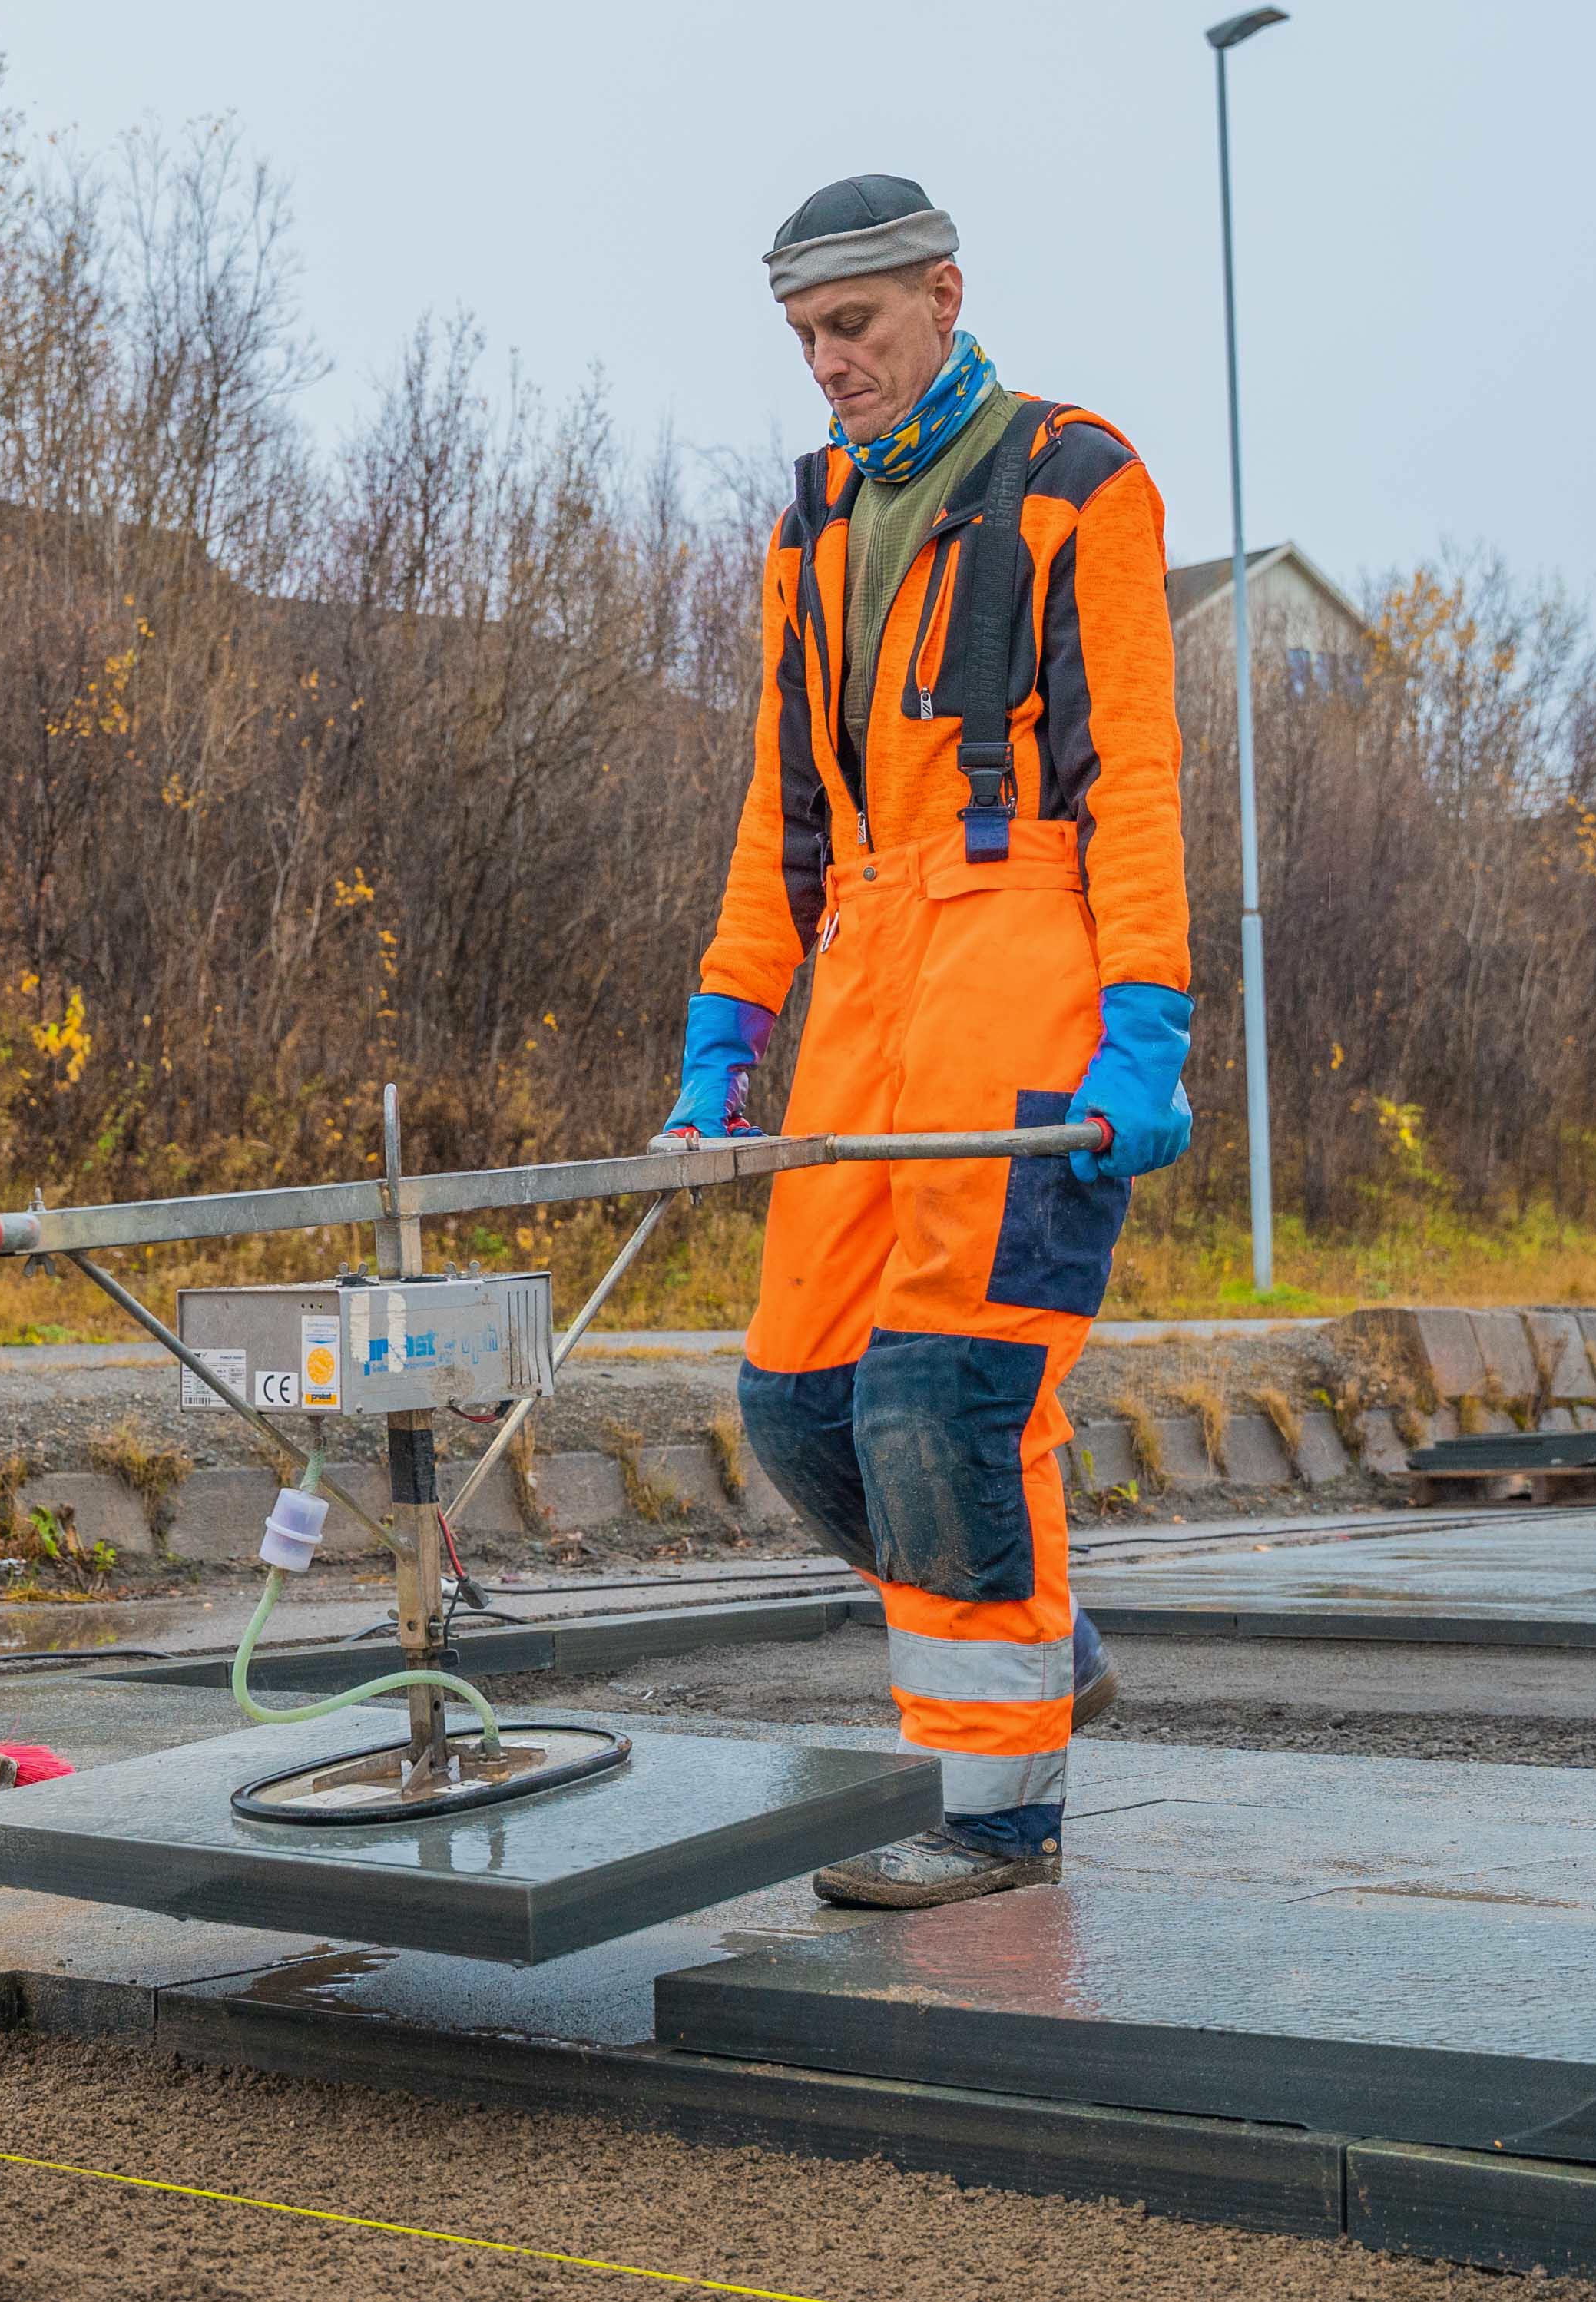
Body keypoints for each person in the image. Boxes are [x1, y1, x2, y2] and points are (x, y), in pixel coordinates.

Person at [662, 177, 1195, 1911]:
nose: (828, 365)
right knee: (802, 1398)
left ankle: (998, 1816)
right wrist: (728, 1019)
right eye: (805, 337)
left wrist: (1148, 1031)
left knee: (948, 1399)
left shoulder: (1076, 478)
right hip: (869, 989)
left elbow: (1134, 782)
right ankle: (1052, 1631)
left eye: (856, 327)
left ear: (945, 295)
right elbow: (782, 810)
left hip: (1025, 972)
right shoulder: (810, 524)